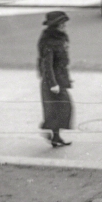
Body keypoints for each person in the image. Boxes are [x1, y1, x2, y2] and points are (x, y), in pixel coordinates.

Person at [37, 11, 73, 147]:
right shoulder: (49, 41)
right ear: (55, 25)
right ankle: (48, 130)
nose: (65, 26)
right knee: (62, 107)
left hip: (59, 79)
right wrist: (53, 84)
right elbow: (47, 65)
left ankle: (55, 137)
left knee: (59, 109)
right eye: (62, 24)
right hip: (52, 81)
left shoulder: (60, 37)